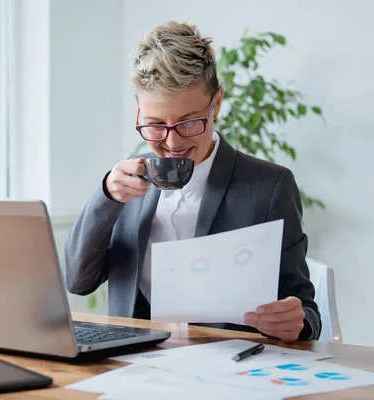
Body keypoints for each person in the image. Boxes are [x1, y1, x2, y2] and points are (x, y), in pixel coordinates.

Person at [62, 21, 321, 342]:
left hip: (226, 369)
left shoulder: (269, 187)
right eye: (155, 124)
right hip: (132, 364)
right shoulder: (126, 185)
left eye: (189, 122)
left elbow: (306, 309)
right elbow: (77, 282)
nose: (172, 143)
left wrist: (296, 320)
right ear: (138, 113)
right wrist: (107, 197)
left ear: (217, 104)